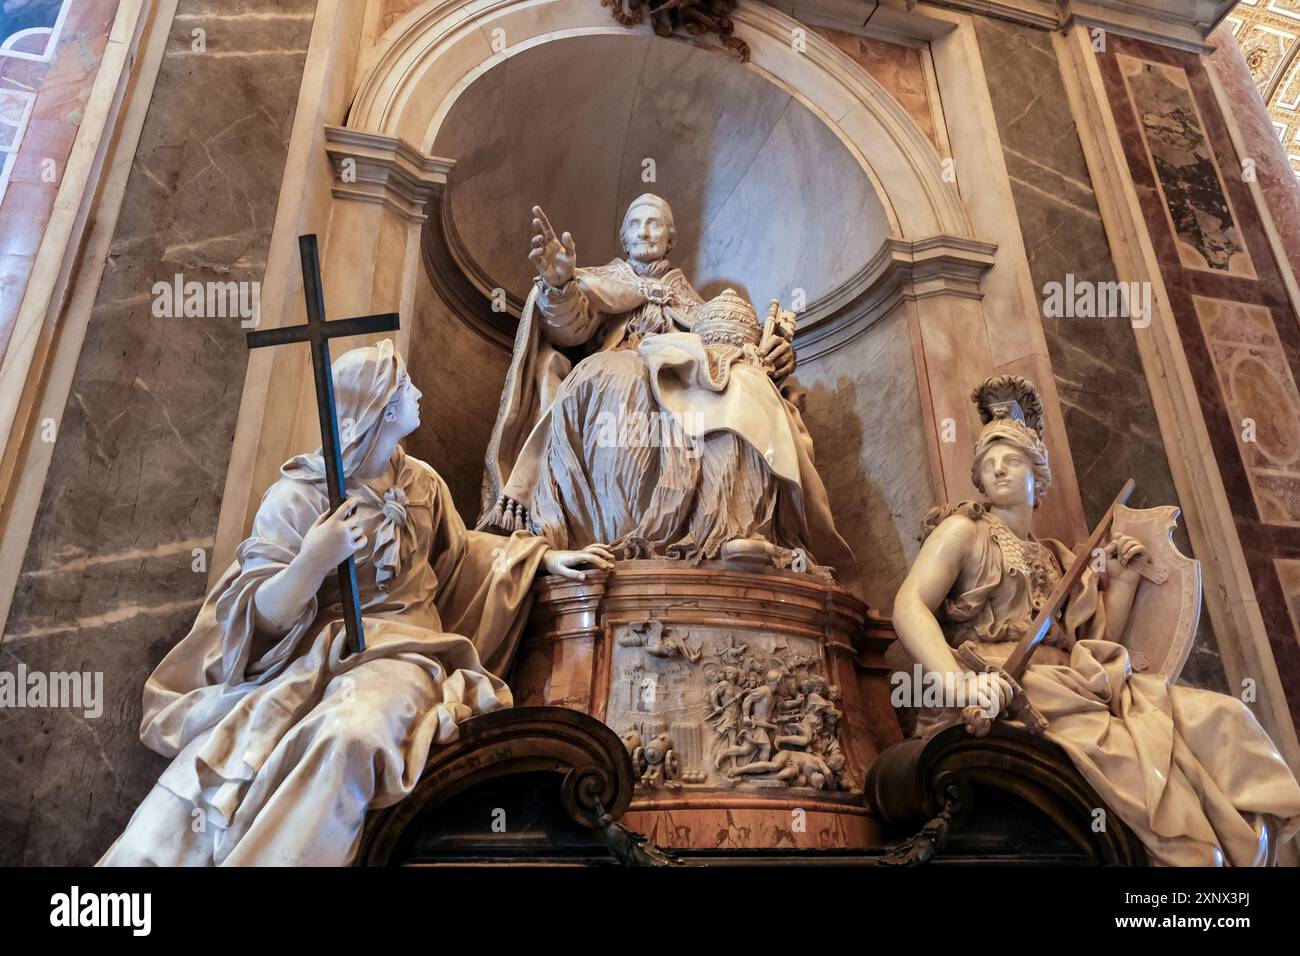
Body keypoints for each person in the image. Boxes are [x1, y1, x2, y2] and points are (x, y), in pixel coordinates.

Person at [98, 340, 611, 866]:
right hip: (308, 661)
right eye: (406, 386)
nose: (420, 392)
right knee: (228, 757)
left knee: (351, 732)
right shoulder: (300, 496)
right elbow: (257, 619)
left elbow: (462, 556)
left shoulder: (423, 483)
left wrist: (538, 558)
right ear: (382, 409)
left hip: (407, 655)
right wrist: (311, 563)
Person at [891, 374, 1300, 865]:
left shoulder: (1058, 559)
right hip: (1008, 685)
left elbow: (1096, 642)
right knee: (1136, 763)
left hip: (1074, 680)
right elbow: (909, 604)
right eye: (987, 463)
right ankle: (1193, 855)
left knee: (1223, 716)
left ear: (1037, 479)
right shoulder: (964, 531)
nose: (998, 470)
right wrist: (957, 684)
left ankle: (1252, 849)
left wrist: (1123, 580)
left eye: (1012, 460)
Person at [480, 194, 858, 591]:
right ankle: (617, 535)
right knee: (611, 375)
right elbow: (568, 329)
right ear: (623, 239)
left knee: (743, 387)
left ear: (671, 238)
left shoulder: (696, 305)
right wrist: (559, 286)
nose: (645, 230)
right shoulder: (600, 282)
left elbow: (725, 350)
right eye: (636, 223)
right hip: (625, 364)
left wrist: (769, 359)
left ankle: (730, 530)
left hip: (686, 377)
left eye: (656, 223)